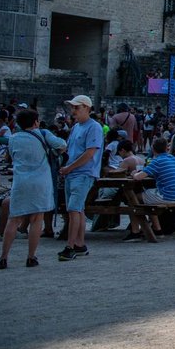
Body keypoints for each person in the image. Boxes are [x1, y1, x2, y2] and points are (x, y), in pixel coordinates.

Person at [0, 109, 65, 269]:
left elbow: (12, 156)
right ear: (35, 122)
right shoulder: (43, 134)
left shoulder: (13, 138)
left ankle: (3, 257)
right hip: (41, 181)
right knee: (37, 219)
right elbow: (62, 145)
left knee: (13, 220)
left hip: (21, 181)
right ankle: (31, 257)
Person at [58, 95, 103, 261]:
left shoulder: (94, 127)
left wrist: (70, 167)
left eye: (77, 108)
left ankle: (70, 246)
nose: (73, 111)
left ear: (87, 108)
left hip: (83, 173)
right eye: (73, 108)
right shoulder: (77, 127)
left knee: (74, 209)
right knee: (78, 210)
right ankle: (79, 244)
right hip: (73, 172)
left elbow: (90, 153)